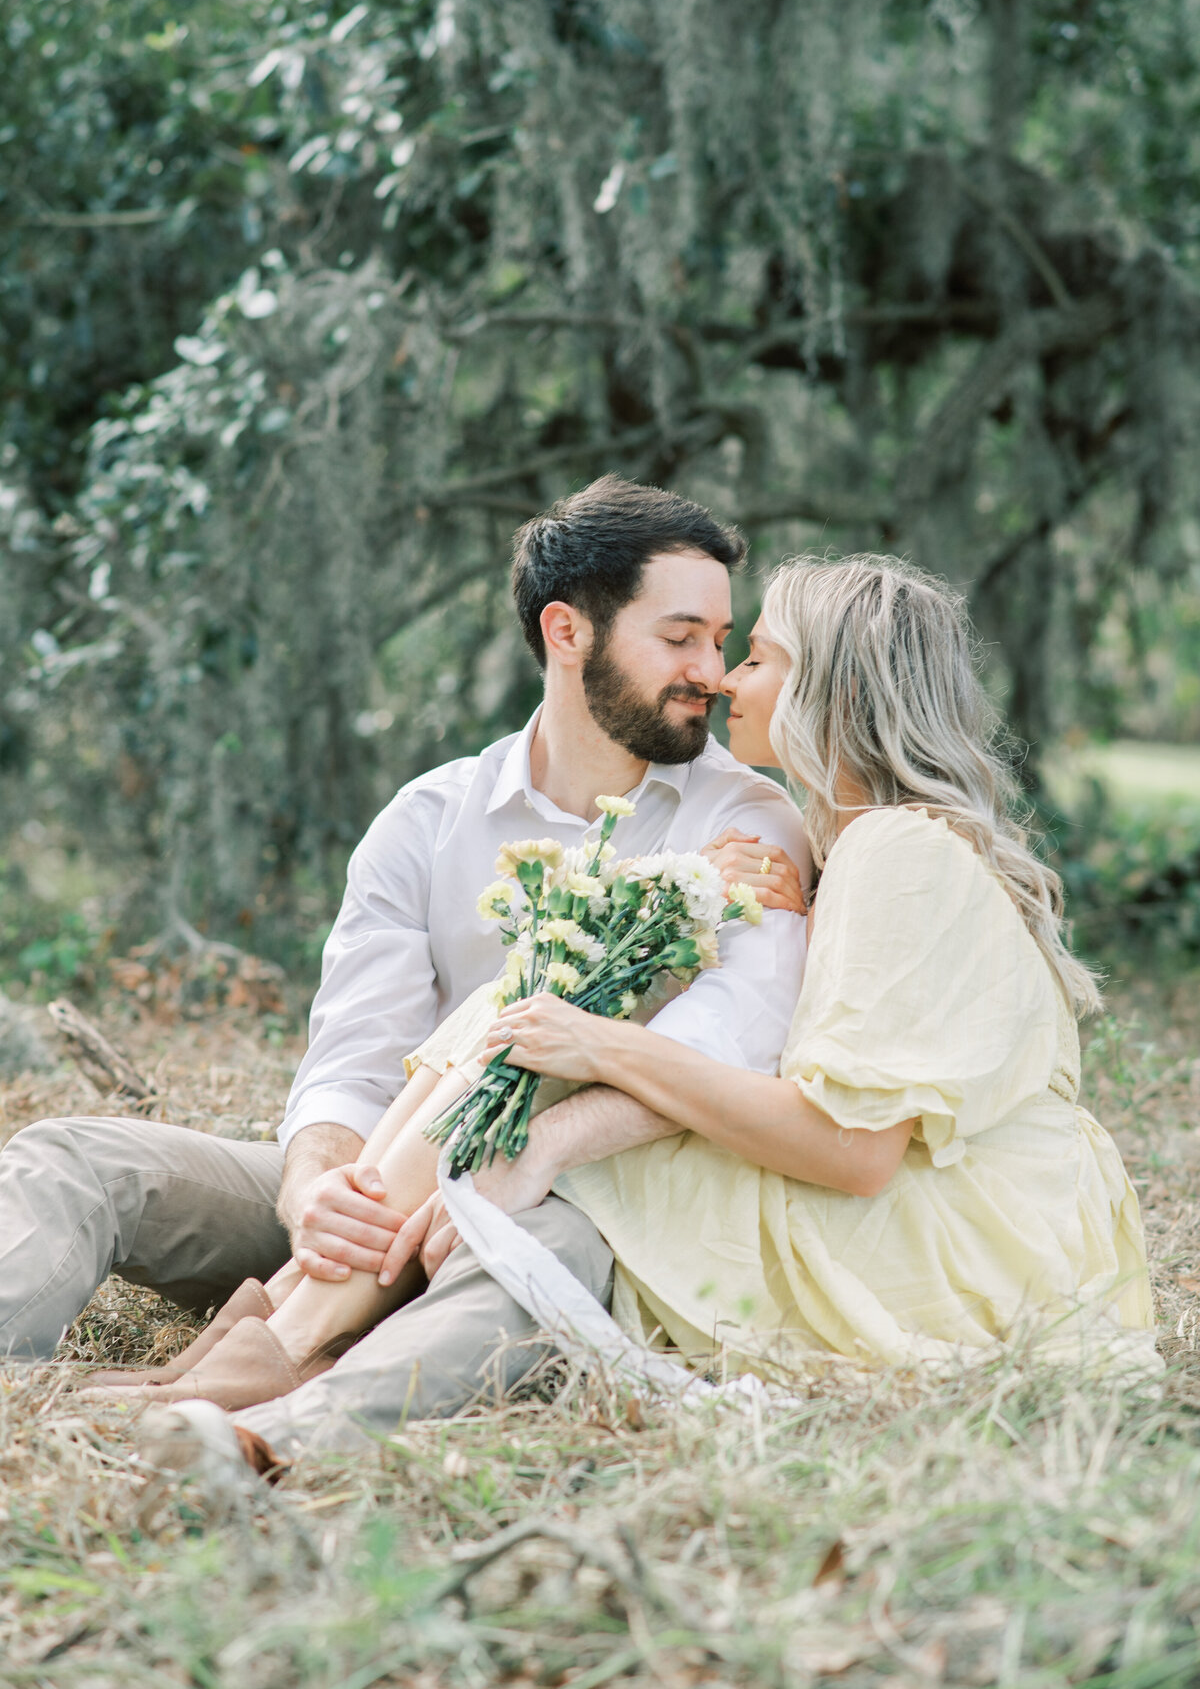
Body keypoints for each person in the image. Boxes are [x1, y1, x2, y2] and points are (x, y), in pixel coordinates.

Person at [105, 553, 1155, 1489]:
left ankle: (283, 1372)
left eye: (758, 657)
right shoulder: (859, 850)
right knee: (509, 1024)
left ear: (831, 690)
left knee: (551, 1119)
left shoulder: (899, 851)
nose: (727, 678)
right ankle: (289, 1346)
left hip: (937, 1251)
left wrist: (593, 1059)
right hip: (936, 1227)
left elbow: (858, 1149)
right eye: (708, 646)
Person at [0, 477, 810, 1428]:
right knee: (72, 1157)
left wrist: (499, 1177)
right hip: (379, 1189)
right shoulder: (428, 819)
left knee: (536, 1270)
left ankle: (272, 1421)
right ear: (568, 631)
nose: (711, 672)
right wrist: (315, 1189)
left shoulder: (749, 823)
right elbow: (354, 1050)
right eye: (680, 638)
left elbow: (732, 1048)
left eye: (721, 641)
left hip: (557, 1199)